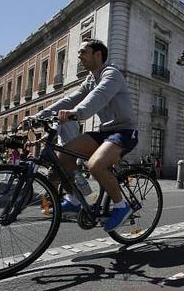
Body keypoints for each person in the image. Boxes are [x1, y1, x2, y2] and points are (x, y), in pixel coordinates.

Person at [27, 38, 138, 232]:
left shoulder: (111, 74)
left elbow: (99, 96)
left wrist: (77, 112)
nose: (79, 56)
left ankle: (121, 206)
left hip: (124, 132)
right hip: (104, 132)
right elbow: (70, 98)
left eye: (83, 52)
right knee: (63, 155)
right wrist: (38, 115)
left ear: (98, 54)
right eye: (79, 52)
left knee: (95, 165)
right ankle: (73, 199)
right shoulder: (90, 79)